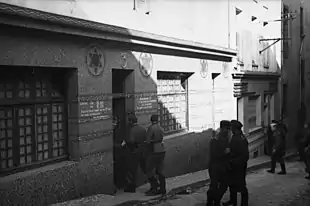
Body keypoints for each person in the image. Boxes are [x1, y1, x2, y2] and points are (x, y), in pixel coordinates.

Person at [221, 120, 249, 206]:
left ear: (235, 128)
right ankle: (233, 201)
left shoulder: (241, 139)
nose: (230, 129)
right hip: (233, 166)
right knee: (232, 185)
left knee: (241, 187)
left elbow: (245, 156)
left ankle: (244, 204)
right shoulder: (235, 136)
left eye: (231, 128)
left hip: (239, 167)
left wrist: (233, 161)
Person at [206, 120, 231, 206]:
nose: (228, 131)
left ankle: (216, 200)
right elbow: (214, 154)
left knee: (224, 185)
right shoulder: (215, 139)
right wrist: (225, 152)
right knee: (214, 186)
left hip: (224, 166)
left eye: (229, 129)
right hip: (215, 167)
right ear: (222, 128)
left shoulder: (228, 138)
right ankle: (210, 202)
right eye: (226, 129)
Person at [123, 113, 147, 192]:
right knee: (144, 167)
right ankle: (149, 181)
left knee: (132, 169)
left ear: (130, 121)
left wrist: (126, 143)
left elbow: (131, 142)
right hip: (143, 151)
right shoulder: (143, 129)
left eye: (129, 121)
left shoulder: (132, 130)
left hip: (135, 151)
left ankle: (132, 187)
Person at [144, 114, 166, 196]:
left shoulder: (151, 128)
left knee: (148, 170)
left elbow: (148, 141)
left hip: (154, 151)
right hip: (162, 150)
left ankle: (154, 187)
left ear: (151, 120)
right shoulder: (160, 127)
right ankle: (163, 189)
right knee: (160, 170)